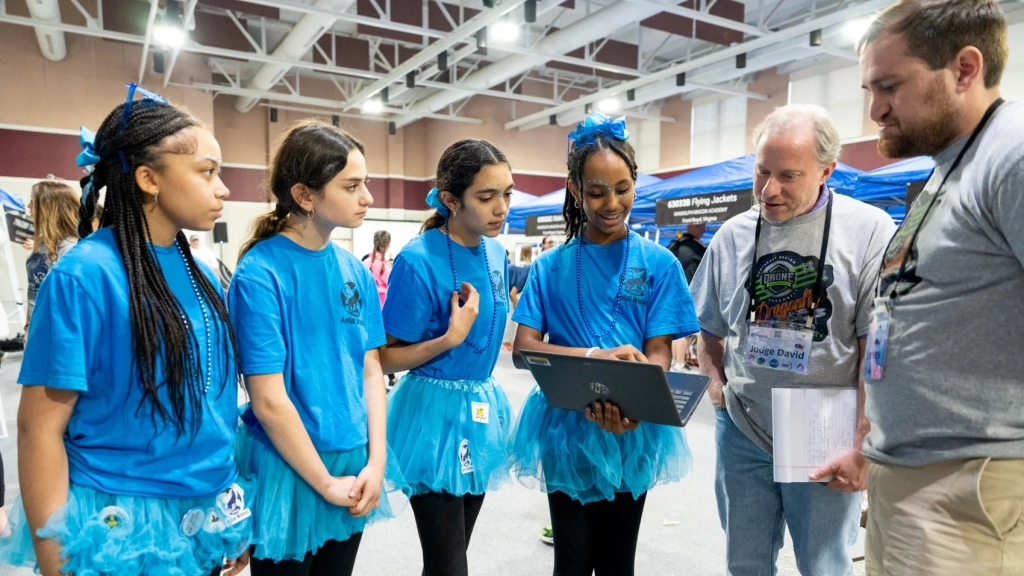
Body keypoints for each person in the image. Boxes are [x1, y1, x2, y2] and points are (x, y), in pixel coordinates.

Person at [0, 84, 252, 576]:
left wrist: (229, 512)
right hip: (119, 519)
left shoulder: (201, 269)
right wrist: (55, 560)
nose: (223, 188)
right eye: (207, 172)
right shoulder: (84, 275)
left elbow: (217, 409)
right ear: (147, 178)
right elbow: (39, 429)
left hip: (200, 510)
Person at [690, 104, 895, 576]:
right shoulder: (732, 235)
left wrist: (863, 439)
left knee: (823, 565)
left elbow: (875, 349)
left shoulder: (868, 232)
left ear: (827, 170)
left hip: (823, 426)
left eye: (788, 175)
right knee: (745, 562)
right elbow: (709, 326)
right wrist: (716, 385)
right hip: (744, 423)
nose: (769, 190)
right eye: (761, 171)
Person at [857, 1, 1024, 574]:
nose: (874, 109)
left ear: (964, 69)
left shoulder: (1012, 155)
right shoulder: (953, 163)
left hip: (970, 486)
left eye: (889, 86)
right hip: (914, 479)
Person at [510, 113, 698, 576]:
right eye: (596, 192)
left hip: (632, 431)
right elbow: (524, 349)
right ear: (575, 190)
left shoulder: (659, 264)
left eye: (622, 189)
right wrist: (593, 357)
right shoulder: (551, 266)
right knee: (571, 563)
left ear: (635, 183)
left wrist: (637, 402)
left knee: (618, 562)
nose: (611, 203)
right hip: (564, 428)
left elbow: (659, 351)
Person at [229, 120, 404, 576]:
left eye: (365, 183)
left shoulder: (356, 271)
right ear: (305, 196)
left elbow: (371, 370)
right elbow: (267, 399)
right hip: (289, 464)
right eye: (352, 186)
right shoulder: (260, 273)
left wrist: (376, 459)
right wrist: (325, 484)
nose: (367, 197)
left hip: (352, 457)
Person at [380, 139, 514, 576]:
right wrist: (448, 338)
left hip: (479, 409)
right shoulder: (417, 260)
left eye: (507, 193)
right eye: (486, 196)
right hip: (431, 418)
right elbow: (385, 358)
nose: (501, 207)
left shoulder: (497, 253)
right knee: (449, 563)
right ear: (450, 200)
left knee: (453, 557)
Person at [23, 179, 79, 335]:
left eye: (32, 202)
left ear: (48, 207)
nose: (28, 206)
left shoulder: (70, 247)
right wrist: (28, 326)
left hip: (55, 330)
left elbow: (70, 302)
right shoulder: (42, 242)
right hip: (37, 326)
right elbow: (33, 288)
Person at [667, 224, 707, 371]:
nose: (703, 231)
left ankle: (675, 361)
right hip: (687, 293)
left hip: (671, 292)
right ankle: (680, 362)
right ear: (693, 227)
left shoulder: (674, 244)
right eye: (702, 228)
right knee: (684, 331)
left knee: (673, 329)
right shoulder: (696, 248)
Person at [502, 244, 534, 352]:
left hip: (505, 290)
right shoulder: (529, 269)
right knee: (513, 317)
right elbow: (513, 292)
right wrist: (517, 306)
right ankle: (507, 343)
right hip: (510, 292)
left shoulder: (516, 266)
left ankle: (507, 341)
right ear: (530, 253)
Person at [364, 230, 392, 308]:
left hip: (367, 304)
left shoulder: (365, 263)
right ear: (389, 244)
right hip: (383, 305)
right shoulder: (386, 267)